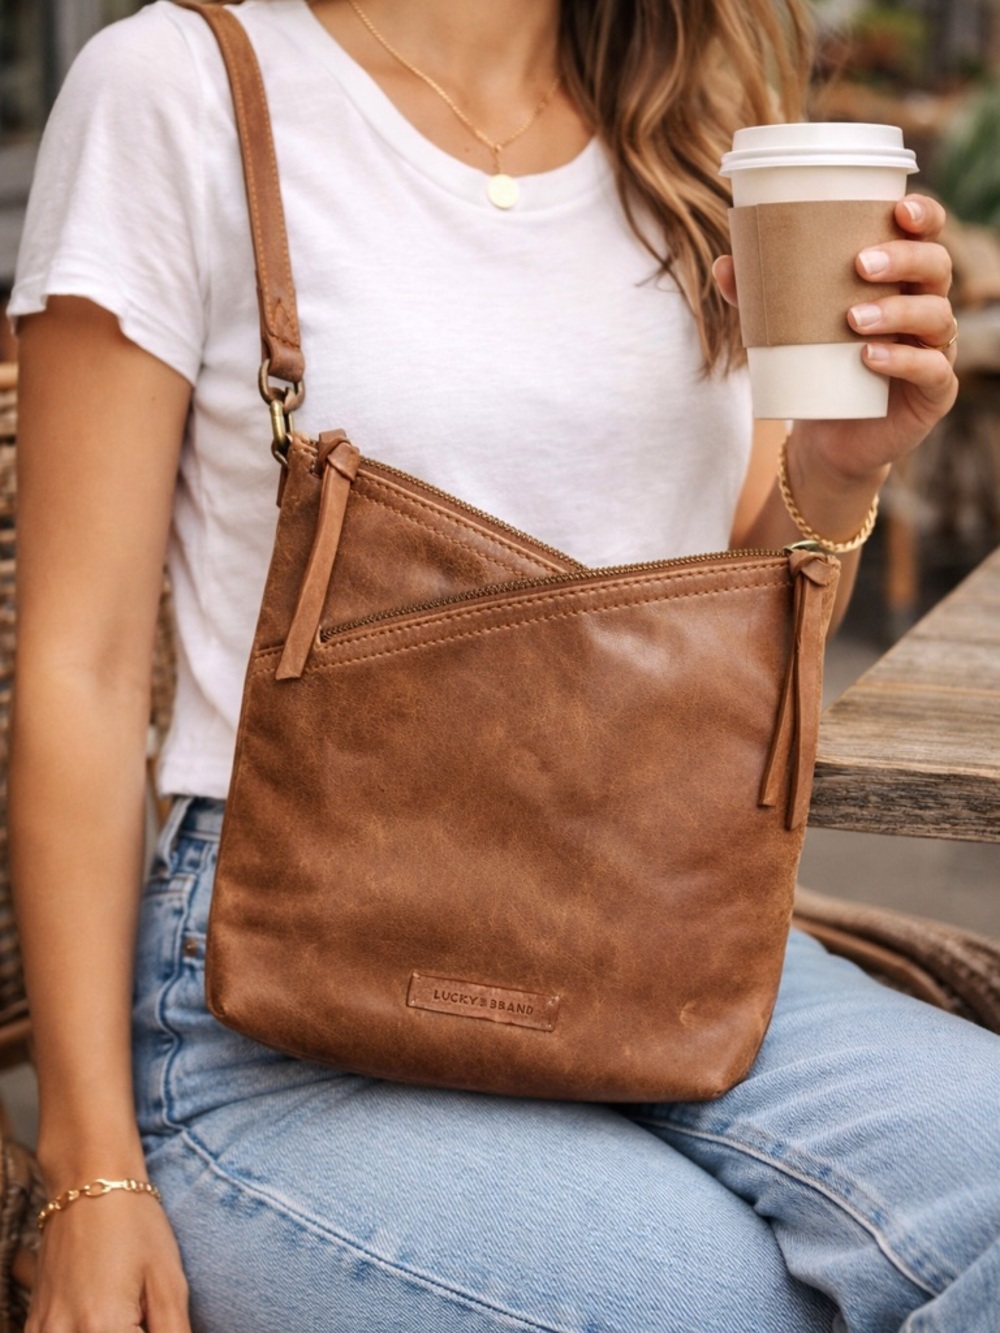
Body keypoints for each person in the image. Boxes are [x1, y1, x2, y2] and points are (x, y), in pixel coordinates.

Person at [8, 0, 999, 1328]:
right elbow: (75, 666)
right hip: (285, 990)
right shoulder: (184, 89)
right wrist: (90, 1161)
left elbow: (736, 657)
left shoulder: (703, 135)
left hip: (667, 934)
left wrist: (837, 462)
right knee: (712, 1300)